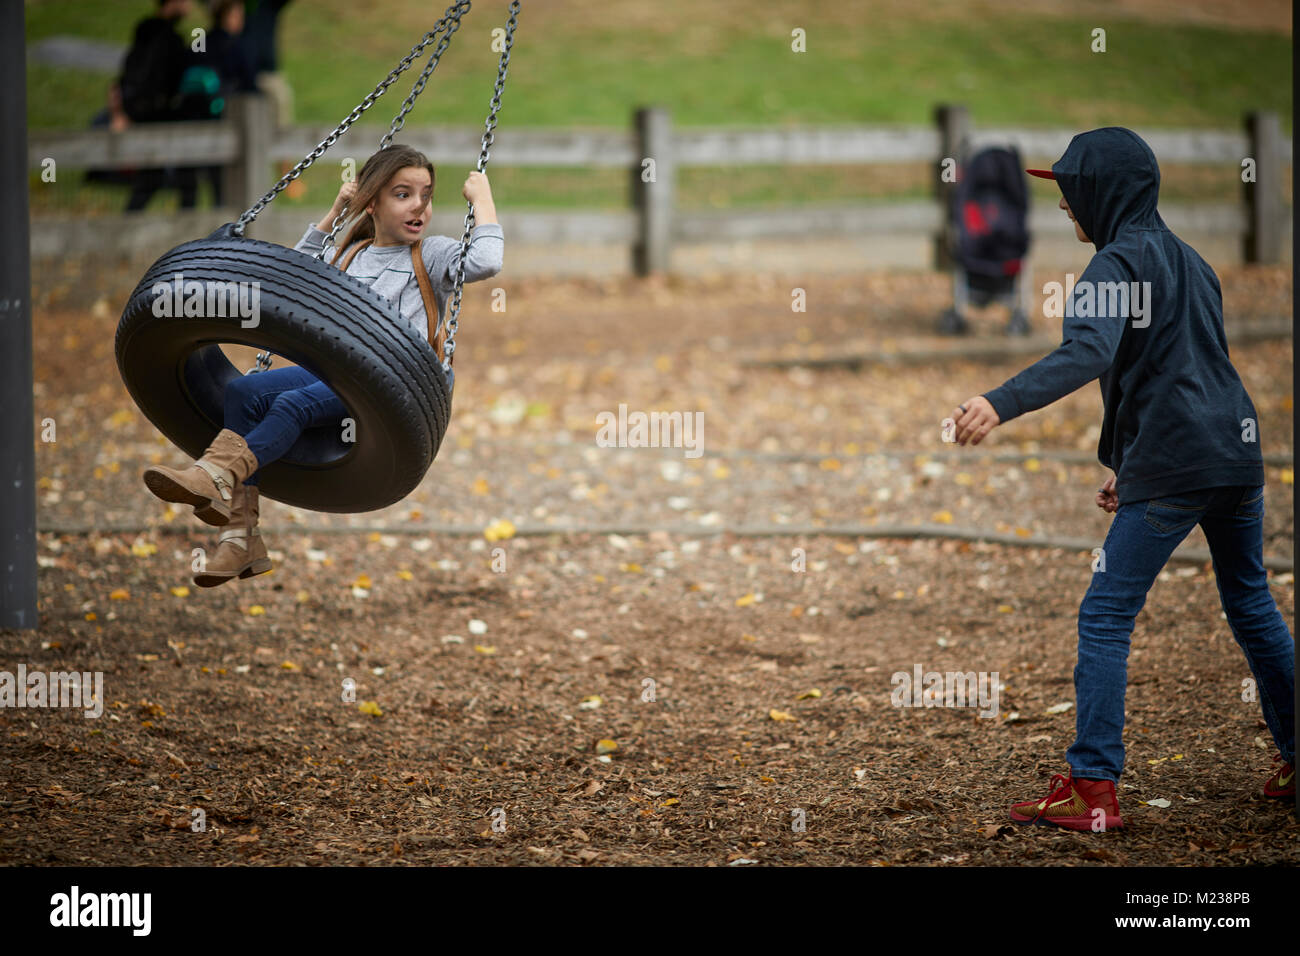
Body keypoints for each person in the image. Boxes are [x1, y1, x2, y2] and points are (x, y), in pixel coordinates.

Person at [947, 127, 1295, 831]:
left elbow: (1087, 354)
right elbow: (1181, 374)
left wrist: (998, 401)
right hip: (1235, 455)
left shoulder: (1111, 268)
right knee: (1252, 603)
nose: (1066, 207)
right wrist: (1131, 465)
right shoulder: (1194, 263)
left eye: (1073, 192)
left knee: (1104, 617)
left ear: (1102, 193)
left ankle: (1093, 788)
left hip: (1179, 464)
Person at [141, 145, 504, 587]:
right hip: (335, 378)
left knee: (291, 406)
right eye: (403, 194)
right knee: (242, 392)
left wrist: (482, 198)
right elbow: (288, 281)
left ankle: (216, 472)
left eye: (426, 195)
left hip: (398, 387)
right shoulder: (350, 256)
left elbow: (487, 261)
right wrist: (334, 214)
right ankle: (240, 539)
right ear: (372, 203)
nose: (419, 206)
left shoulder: (431, 255)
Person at [113, 0, 200, 211]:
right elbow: (141, 76)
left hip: (153, 114)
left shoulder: (151, 32)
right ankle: (187, 232)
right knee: (175, 178)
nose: (190, 5)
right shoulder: (163, 36)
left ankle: (132, 222)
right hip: (158, 115)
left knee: (161, 177)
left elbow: (125, 76)